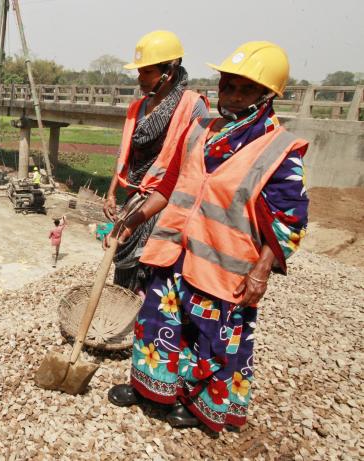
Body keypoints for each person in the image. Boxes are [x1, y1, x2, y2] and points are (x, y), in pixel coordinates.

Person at [107, 42, 309, 433]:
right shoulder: (200, 130)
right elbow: (168, 186)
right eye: (226, 85)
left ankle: (198, 403)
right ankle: (151, 388)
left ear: (267, 96)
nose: (231, 96)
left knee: (210, 339)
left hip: (223, 266)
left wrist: (262, 271)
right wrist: (132, 219)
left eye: (243, 89)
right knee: (157, 323)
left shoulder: (280, 149)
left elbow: (290, 220)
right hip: (174, 254)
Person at [103, 30, 209, 296]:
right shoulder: (137, 108)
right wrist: (111, 192)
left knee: (152, 269)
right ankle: (123, 314)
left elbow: (191, 171)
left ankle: (149, 323)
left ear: (168, 73)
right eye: (139, 72)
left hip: (169, 203)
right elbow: (124, 153)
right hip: (135, 198)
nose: (139, 78)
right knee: (123, 262)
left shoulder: (192, 107)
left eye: (146, 72)